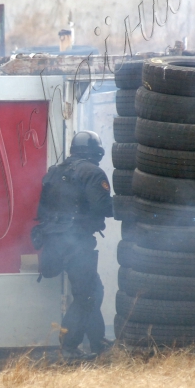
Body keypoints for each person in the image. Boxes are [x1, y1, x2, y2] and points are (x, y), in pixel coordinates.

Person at [35, 130, 114, 362]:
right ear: (97, 151)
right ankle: (68, 348)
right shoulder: (92, 172)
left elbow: (42, 210)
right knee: (87, 295)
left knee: (92, 290)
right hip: (76, 242)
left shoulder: (54, 172)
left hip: (54, 241)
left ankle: (98, 341)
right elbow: (102, 208)